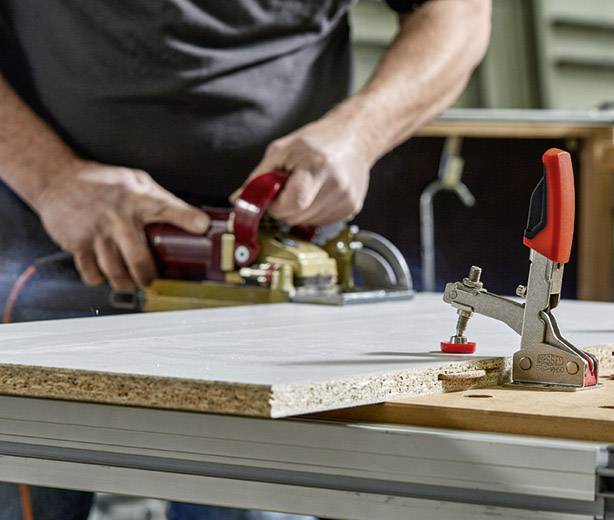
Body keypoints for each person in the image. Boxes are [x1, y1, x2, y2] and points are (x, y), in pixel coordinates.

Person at [0, 0, 491, 518]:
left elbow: (458, 12)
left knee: (252, 505)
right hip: (52, 235)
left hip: (277, 264)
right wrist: (50, 177)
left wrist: (359, 132)